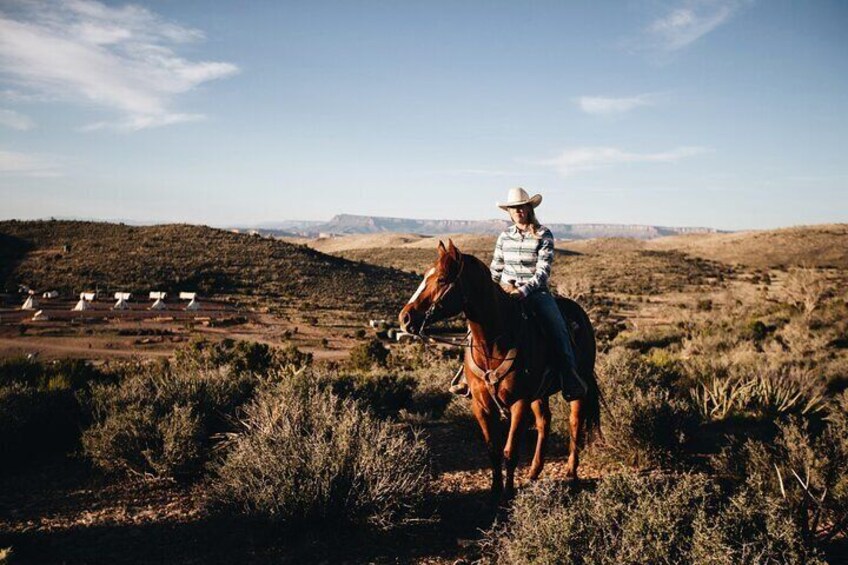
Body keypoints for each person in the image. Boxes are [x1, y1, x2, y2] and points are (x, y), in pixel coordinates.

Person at [450, 187, 587, 400]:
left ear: (529, 208)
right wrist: (490, 292)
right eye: (514, 208)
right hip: (504, 291)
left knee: (557, 326)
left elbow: (543, 271)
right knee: (476, 327)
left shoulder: (544, 234)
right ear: (510, 212)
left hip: (535, 292)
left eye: (522, 207)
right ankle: (466, 376)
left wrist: (523, 291)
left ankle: (569, 375)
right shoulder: (505, 236)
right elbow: (496, 268)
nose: (518, 211)